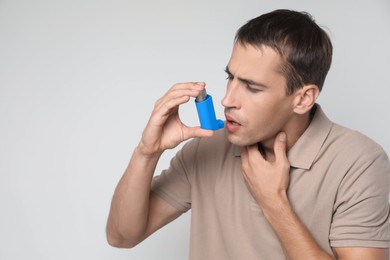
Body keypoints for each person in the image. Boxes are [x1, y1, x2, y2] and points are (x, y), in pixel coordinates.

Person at [106, 9, 390, 259]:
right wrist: (147, 152)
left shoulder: (359, 162)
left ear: (303, 99)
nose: (228, 99)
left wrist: (274, 203)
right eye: (231, 77)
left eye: (252, 87)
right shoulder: (206, 148)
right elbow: (122, 236)